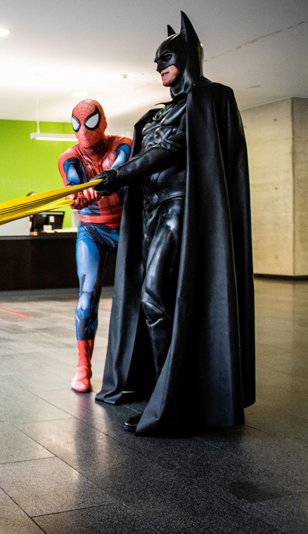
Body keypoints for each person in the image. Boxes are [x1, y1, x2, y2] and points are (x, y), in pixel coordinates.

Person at [93, 12, 255, 435]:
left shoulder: (209, 99)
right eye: (157, 59)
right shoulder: (161, 112)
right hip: (152, 211)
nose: (158, 65)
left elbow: (169, 151)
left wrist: (117, 175)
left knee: (153, 299)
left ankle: (175, 400)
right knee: (153, 300)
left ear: (187, 55)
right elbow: (149, 152)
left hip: (182, 209)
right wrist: (119, 178)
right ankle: (164, 387)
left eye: (166, 56)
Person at [57, 99, 131, 393]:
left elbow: (120, 172)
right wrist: (78, 194)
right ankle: (83, 365)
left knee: (141, 296)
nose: (84, 132)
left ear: (103, 122)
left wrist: (96, 188)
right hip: (92, 231)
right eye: (78, 124)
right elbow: (73, 182)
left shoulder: (122, 144)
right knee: (87, 296)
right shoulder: (68, 157)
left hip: (127, 227)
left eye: (90, 123)